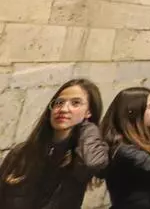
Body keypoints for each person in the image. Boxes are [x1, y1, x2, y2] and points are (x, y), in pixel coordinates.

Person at [0, 79, 109, 209]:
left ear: (89, 112)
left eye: (75, 103)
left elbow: (93, 162)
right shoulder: (22, 152)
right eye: (59, 102)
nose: (63, 109)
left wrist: (88, 126)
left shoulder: (80, 158)